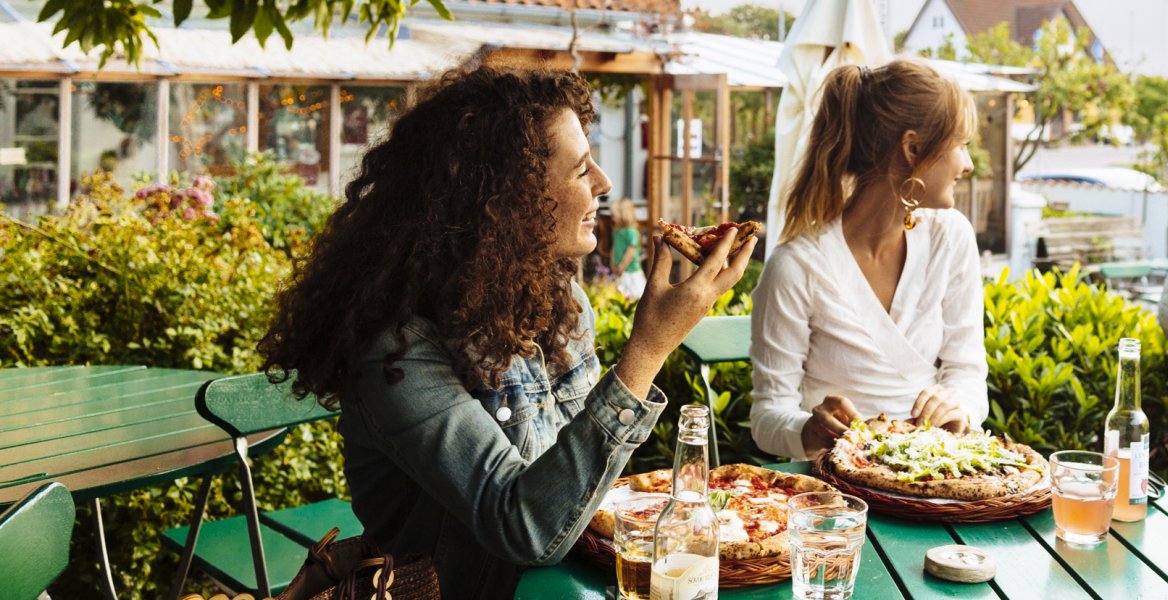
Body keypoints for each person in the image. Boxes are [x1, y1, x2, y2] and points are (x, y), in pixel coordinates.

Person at [257, 66, 754, 598]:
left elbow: (575, 490)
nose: (604, 184)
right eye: (581, 169)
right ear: (511, 199)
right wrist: (650, 347)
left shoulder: (561, 305)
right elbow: (526, 528)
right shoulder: (395, 352)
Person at [749, 60, 987, 460]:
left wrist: (958, 408)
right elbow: (767, 416)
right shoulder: (797, 267)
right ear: (912, 149)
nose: (968, 164)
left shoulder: (952, 237)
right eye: (959, 145)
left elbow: (967, 371)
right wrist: (809, 429)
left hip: (937, 477)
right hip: (835, 492)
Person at [610, 198, 646, 300]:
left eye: (614, 215)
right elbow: (614, 248)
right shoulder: (616, 231)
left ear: (623, 214)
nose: (612, 217)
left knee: (635, 295)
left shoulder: (631, 232)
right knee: (621, 295)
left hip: (630, 271)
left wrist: (621, 266)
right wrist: (612, 263)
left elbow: (630, 252)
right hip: (619, 271)